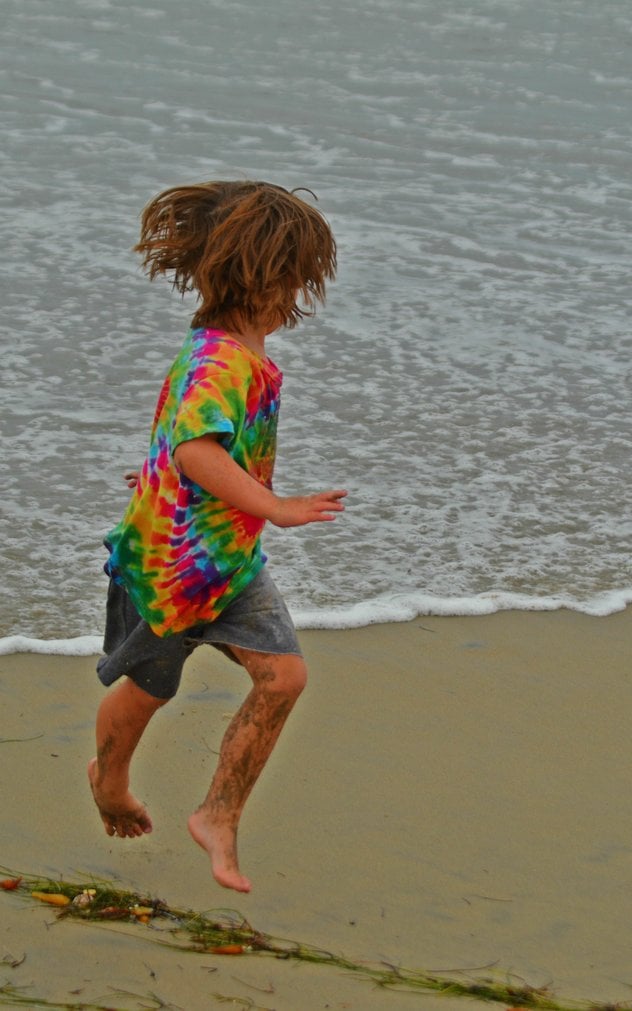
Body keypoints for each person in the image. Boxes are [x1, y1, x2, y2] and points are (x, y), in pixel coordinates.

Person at [89, 180, 346, 893]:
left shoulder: (239, 350)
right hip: (174, 563)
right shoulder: (218, 361)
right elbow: (196, 452)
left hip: (228, 559)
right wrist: (279, 505)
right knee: (148, 687)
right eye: (298, 275)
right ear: (270, 276)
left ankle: (218, 812)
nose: (303, 292)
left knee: (284, 675)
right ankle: (108, 780)